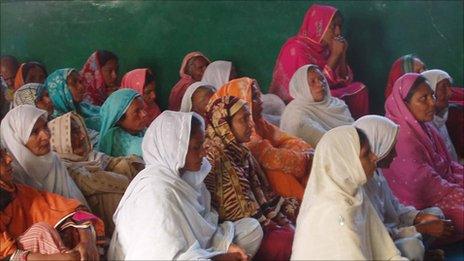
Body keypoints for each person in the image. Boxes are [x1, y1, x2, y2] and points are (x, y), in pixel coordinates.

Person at [109, 111, 263, 260]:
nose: (203, 153)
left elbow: (205, 227)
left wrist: (225, 246)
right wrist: (218, 258)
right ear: (176, 149)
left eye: (203, 145)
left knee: (252, 229)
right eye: (196, 147)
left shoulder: (188, 177)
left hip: (193, 251)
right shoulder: (155, 192)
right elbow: (159, 255)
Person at [204, 96, 297, 260]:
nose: (251, 125)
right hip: (233, 232)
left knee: (301, 212)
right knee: (288, 241)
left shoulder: (241, 152)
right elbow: (225, 212)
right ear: (225, 125)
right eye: (243, 120)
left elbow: (264, 194)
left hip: (256, 220)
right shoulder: (213, 158)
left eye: (249, 118)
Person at [292, 125, 405, 260]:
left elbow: (386, 254)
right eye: (366, 154)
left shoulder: (355, 195)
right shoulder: (332, 212)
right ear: (344, 162)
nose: (374, 157)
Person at [355, 115, 454, 260]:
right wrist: (422, 228)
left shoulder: (376, 172)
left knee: (435, 214)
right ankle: (419, 254)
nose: (395, 154)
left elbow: (397, 207)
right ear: (377, 147)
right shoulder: (360, 187)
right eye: (390, 148)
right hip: (381, 247)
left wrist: (419, 217)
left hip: (396, 231)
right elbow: (380, 238)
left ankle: (422, 253)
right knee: (412, 247)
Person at [383, 73, 464, 242]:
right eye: (423, 98)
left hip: (442, 188)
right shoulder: (401, 138)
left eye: (432, 96)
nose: (432, 102)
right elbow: (426, 186)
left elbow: (447, 164)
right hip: (422, 204)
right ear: (404, 104)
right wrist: (459, 192)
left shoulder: (424, 126)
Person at [212, 77, 314, 200]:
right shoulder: (245, 137)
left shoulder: (260, 124)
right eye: (254, 97)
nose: (260, 101)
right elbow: (274, 157)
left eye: (259, 95)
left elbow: (288, 140)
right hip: (252, 202)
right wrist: (306, 157)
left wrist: (303, 154)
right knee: (277, 173)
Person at [0, 146, 104, 261]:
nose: (9, 159)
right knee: (40, 233)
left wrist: (86, 241)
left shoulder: (19, 192)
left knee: (72, 232)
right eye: (0, 158)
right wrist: (63, 257)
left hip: (47, 252)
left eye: (6, 153)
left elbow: (74, 210)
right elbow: (8, 255)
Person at [49, 112, 143, 235]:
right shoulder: (64, 168)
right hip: (104, 225)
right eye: (74, 133)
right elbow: (93, 181)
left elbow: (113, 163)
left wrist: (134, 164)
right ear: (61, 139)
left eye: (80, 131)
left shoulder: (90, 156)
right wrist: (133, 183)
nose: (83, 136)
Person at [269, 4, 369, 118]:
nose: (338, 32)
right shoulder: (295, 49)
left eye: (340, 26)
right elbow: (308, 88)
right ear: (319, 26)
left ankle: (357, 131)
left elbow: (345, 80)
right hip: (300, 100)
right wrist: (335, 56)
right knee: (334, 99)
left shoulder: (327, 48)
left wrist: (342, 54)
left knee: (360, 89)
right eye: (333, 26)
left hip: (322, 90)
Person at [1, 105, 87, 205]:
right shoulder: (11, 179)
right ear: (16, 141)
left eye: (45, 126)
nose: (46, 136)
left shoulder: (53, 161)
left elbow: (77, 201)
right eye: (34, 132)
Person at [280, 64, 354, 147]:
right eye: (313, 82)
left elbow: (352, 131)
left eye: (322, 79)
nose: (320, 84)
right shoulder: (296, 116)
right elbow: (325, 144)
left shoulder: (337, 104)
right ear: (303, 87)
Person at [45, 68, 101, 132]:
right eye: (74, 83)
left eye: (80, 82)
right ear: (60, 89)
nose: (81, 87)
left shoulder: (85, 107)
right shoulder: (58, 123)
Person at [422, 69, 459, 161]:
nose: (450, 93)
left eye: (450, 87)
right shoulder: (424, 126)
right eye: (443, 87)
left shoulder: (440, 117)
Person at [98, 89, 147, 157]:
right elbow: (141, 149)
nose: (144, 114)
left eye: (143, 109)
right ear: (119, 118)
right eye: (136, 112)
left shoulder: (139, 130)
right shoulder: (114, 137)